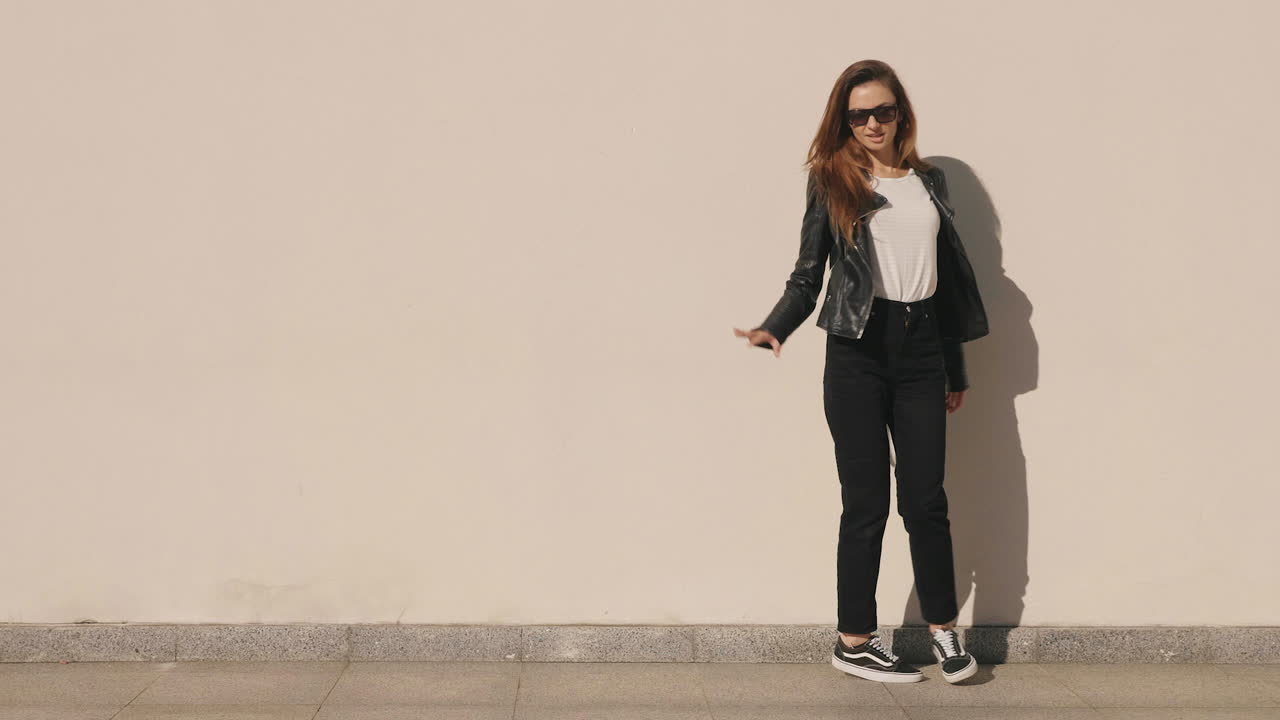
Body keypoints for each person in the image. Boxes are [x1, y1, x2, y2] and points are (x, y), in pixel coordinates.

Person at [733, 60, 989, 684]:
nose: (872, 123)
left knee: (926, 501)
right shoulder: (831, 180)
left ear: (901, 113)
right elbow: (808, 274)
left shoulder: (929, 182)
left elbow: (946, 286)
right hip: (857, 352)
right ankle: (854, 640)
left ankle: (942, 634)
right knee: (866, 502)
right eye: (859, 115)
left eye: (883, 111)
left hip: (923, 349)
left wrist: (953, 368)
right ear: (844, 121)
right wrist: (776, 326)